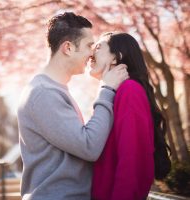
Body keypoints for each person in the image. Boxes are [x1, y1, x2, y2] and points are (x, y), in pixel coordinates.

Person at [17, 12, 129, 200]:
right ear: (68, 48)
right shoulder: (44, 93)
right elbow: (89, 147)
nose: (92, 53)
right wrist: (107, 89)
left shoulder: (53, 90)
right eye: (88, 46)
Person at [90, 32, 171, 200]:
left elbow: (132, 162)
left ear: (116, 58)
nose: (91, 52)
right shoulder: (114, 93)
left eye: (98, 47)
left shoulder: (129, 90)